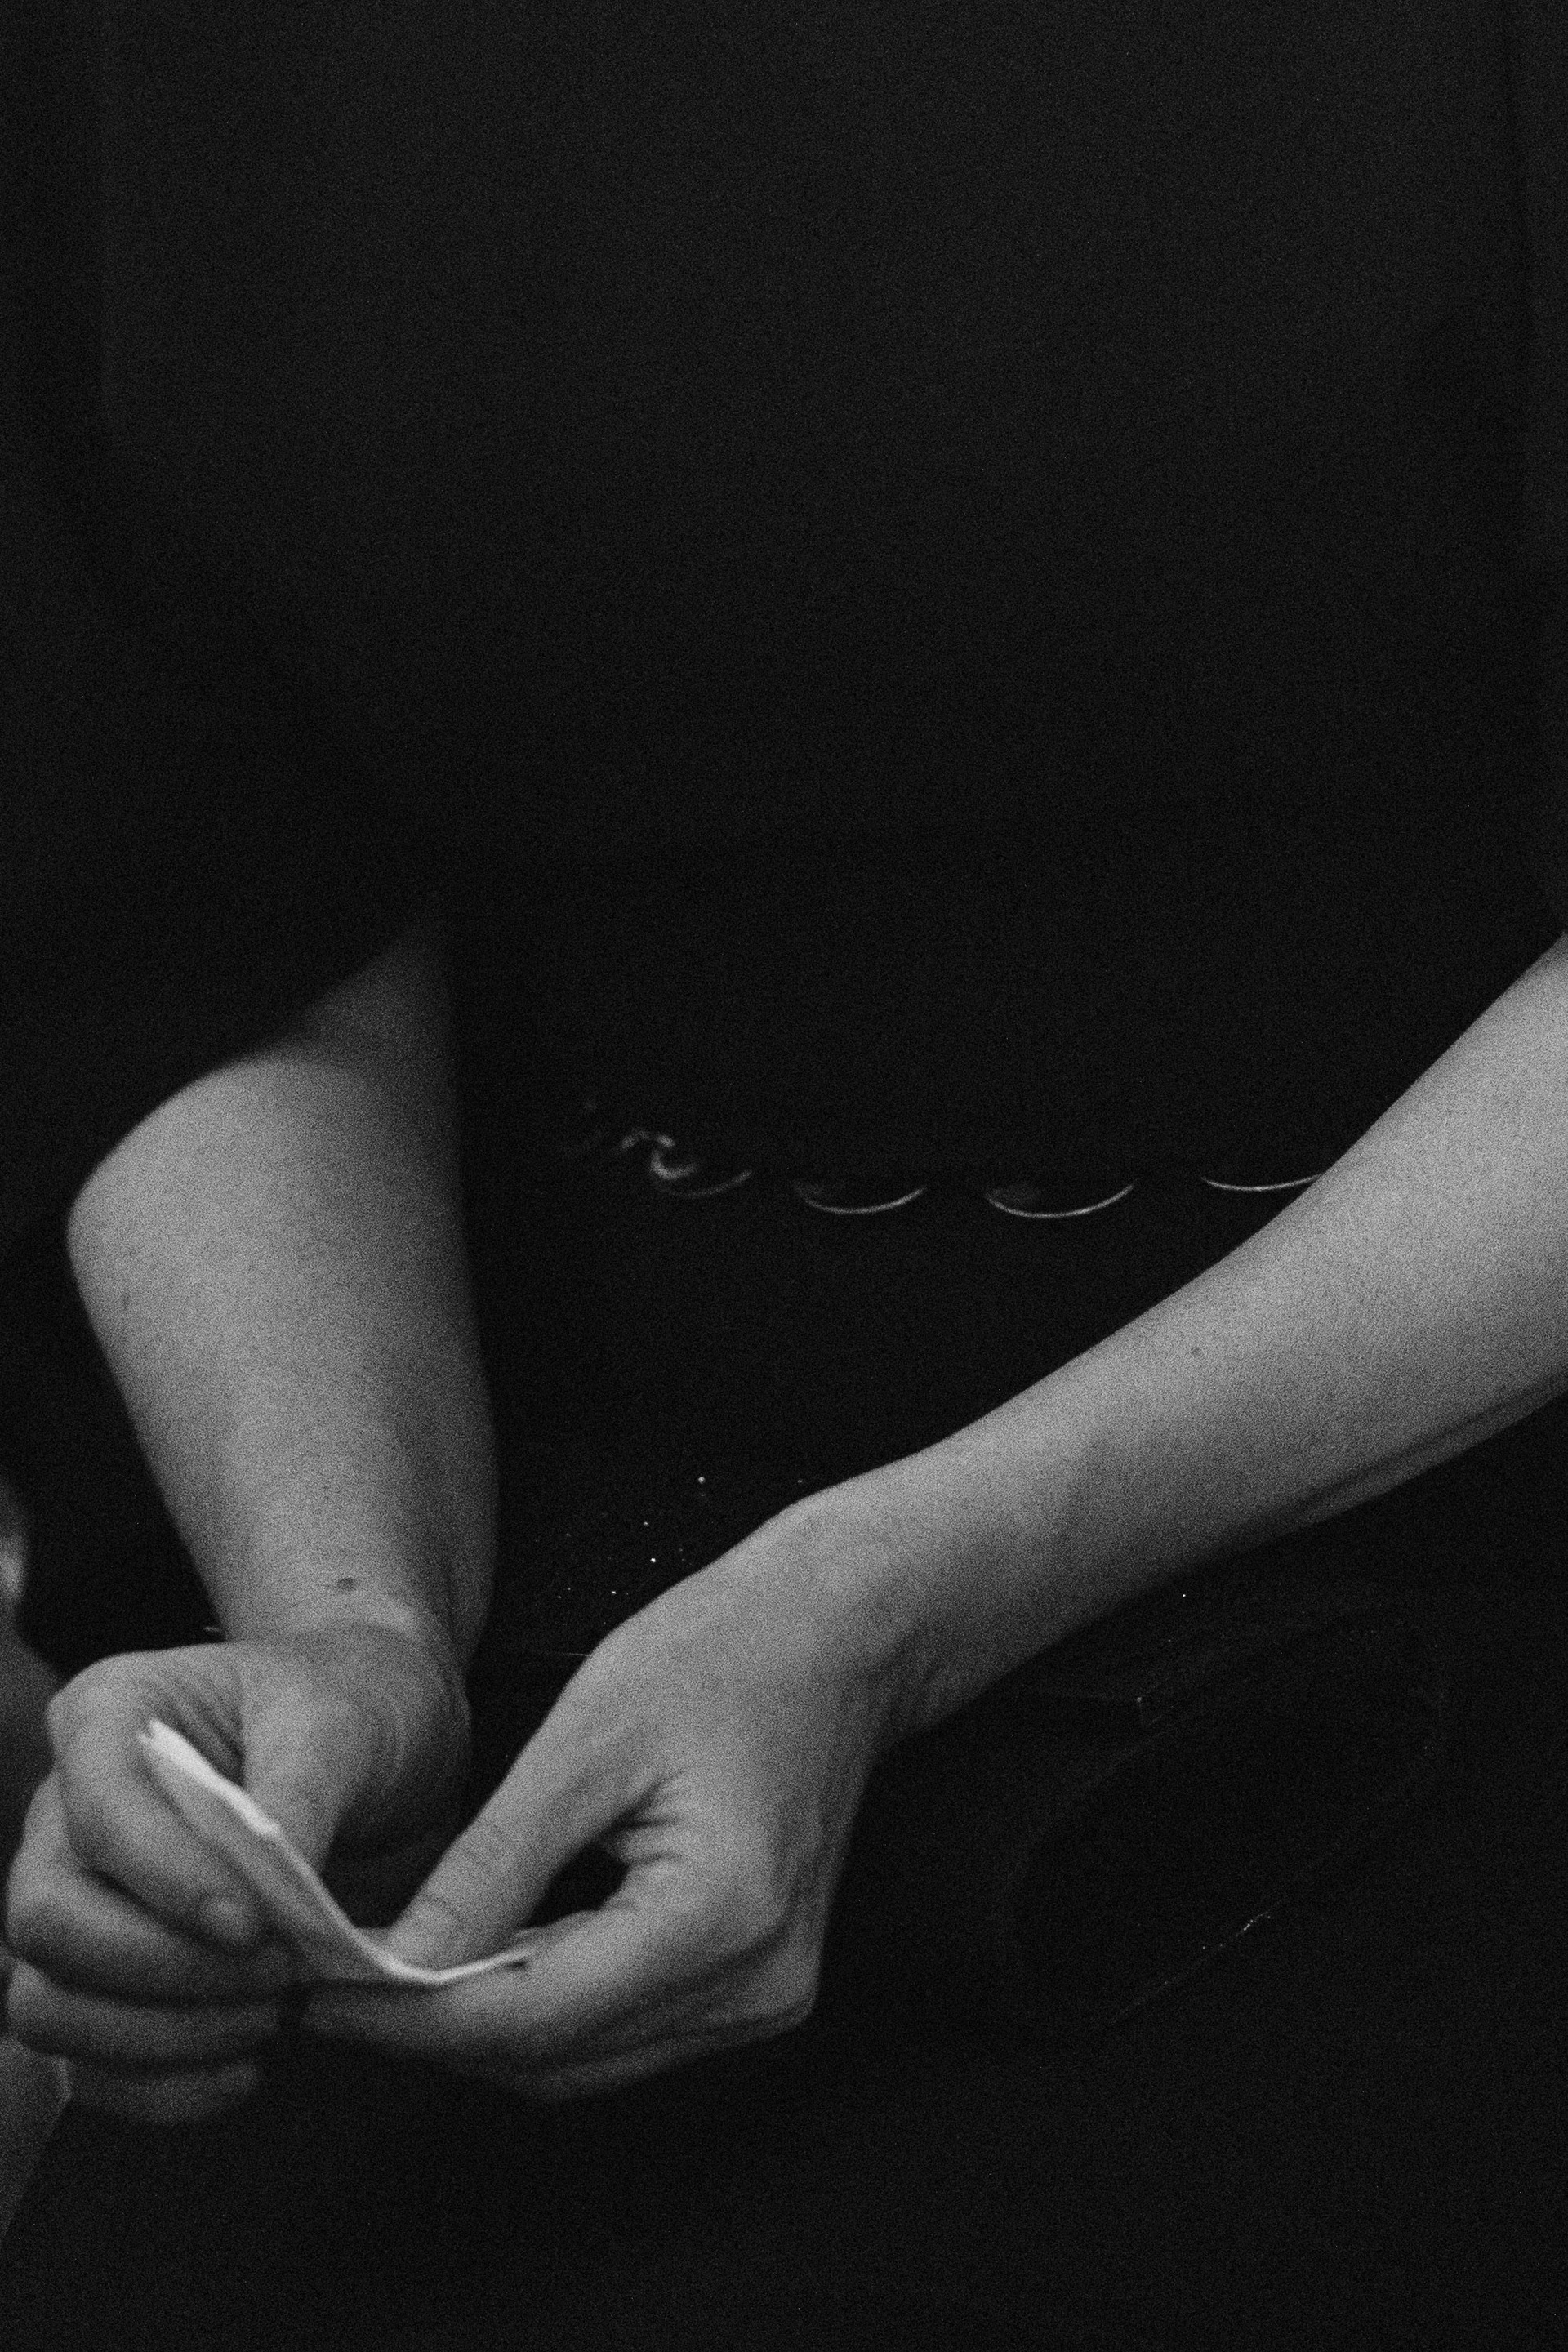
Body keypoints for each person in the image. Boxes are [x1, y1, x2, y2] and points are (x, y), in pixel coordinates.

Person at [2, 0, 1566, 2145]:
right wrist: (352, 1630)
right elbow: (193, 903)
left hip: (1430, 1467)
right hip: (556, 1494)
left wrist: (889, 1607)